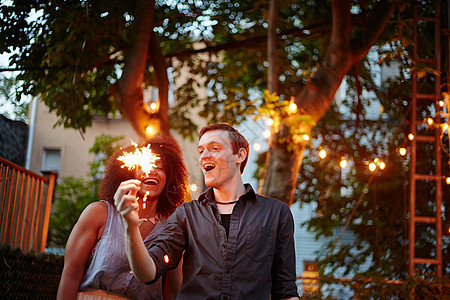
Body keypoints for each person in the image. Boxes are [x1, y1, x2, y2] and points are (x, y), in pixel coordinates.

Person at [116, 123, 299, 299]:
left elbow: (285, 291)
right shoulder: (186, 214)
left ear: (240, 155)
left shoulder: (276, 213)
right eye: (201, 150)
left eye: (214, 148)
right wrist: (130, 227)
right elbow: (147, 272)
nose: (204, 156)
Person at [57, 134, 188, 300]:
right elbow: (71, 275)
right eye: (144, 165)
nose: (152, 171)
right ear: (128, 174)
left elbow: (172, 291)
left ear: (169, 178)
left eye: (160, 167)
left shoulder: (172, 227)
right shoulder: (98, 213)